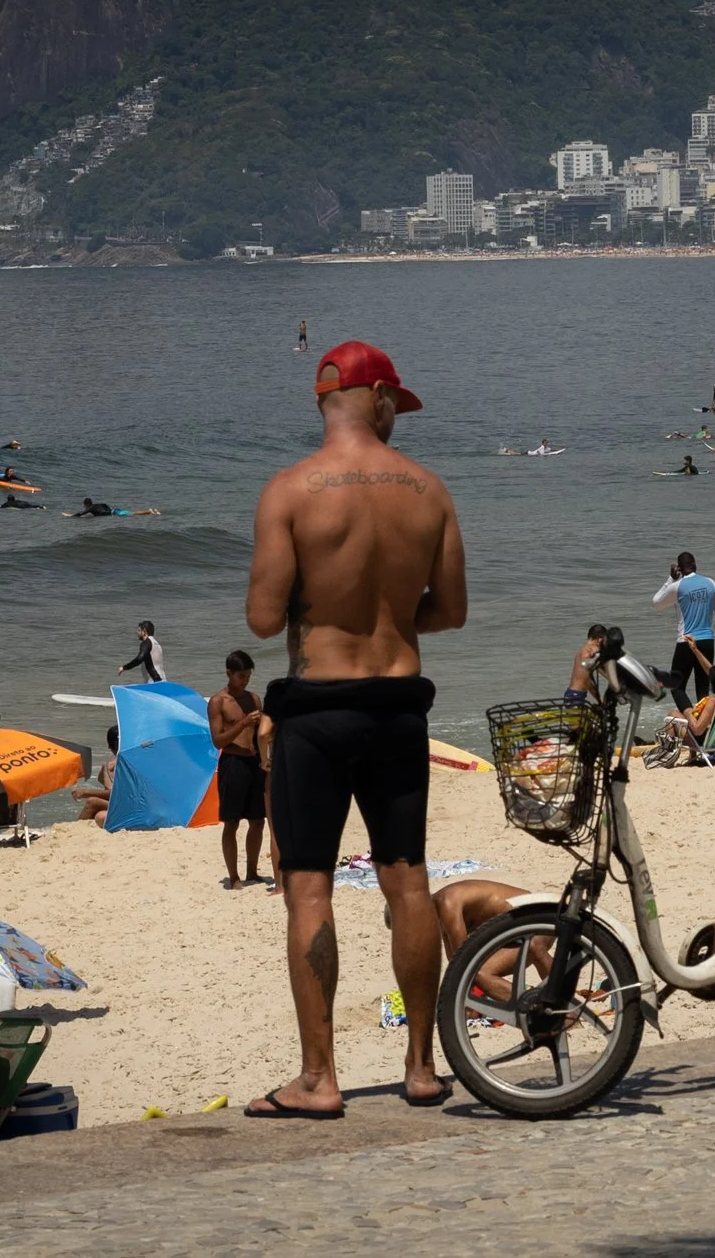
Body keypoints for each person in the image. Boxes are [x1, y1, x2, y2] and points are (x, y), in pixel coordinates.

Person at [243, 338, 467, 1119]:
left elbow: (264, 616)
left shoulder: (290, 491)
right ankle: (421, 1066)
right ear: (372, 400)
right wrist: (391, 615)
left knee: (309, 887)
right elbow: (452, 611)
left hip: (317, 710)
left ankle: (319, 1077)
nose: (397, 418)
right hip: (399, 706)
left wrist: (322, 604)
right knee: (408, 881)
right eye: (395, 405)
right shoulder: (429, 491)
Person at [210, 649, 276, 891]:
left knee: (258, 821)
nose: (245, 680)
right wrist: (243, 723)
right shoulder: (219, 701)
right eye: (241, 676)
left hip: (254, 761)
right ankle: (234, 876)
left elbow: (263, 733)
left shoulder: (254, 699)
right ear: (229, 673)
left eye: (248, 675)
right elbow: (217, 741)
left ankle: (252, 871)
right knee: (232, 822)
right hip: (233, 763)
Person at [653, 552, 715, 702]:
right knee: (703, 688)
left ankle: (692, 720)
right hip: (707, 642)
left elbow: (656, 603)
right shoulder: (711, 583)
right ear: (695, 565)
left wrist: (670, 579)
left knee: (676, 687)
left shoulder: (677, 586)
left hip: (686, 642)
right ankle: (704, 723)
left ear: (679, 569)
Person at [71, 725, 118, 824]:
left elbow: (114, 794)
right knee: (97, 812)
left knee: (92, 802)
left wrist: (85, 792)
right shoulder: (110, 766)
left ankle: (73, 831)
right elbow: (106, 785)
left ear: (110, 745)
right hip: (124, 804)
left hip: (131, 806)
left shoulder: (114, 766)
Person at [568, 624, 607, 702]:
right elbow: (585, 662)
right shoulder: (587, 651)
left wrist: (599, 700)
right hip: (575, 696)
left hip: (576, 694)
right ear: (600, 640)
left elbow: (588, 682)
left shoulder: (583, 651)